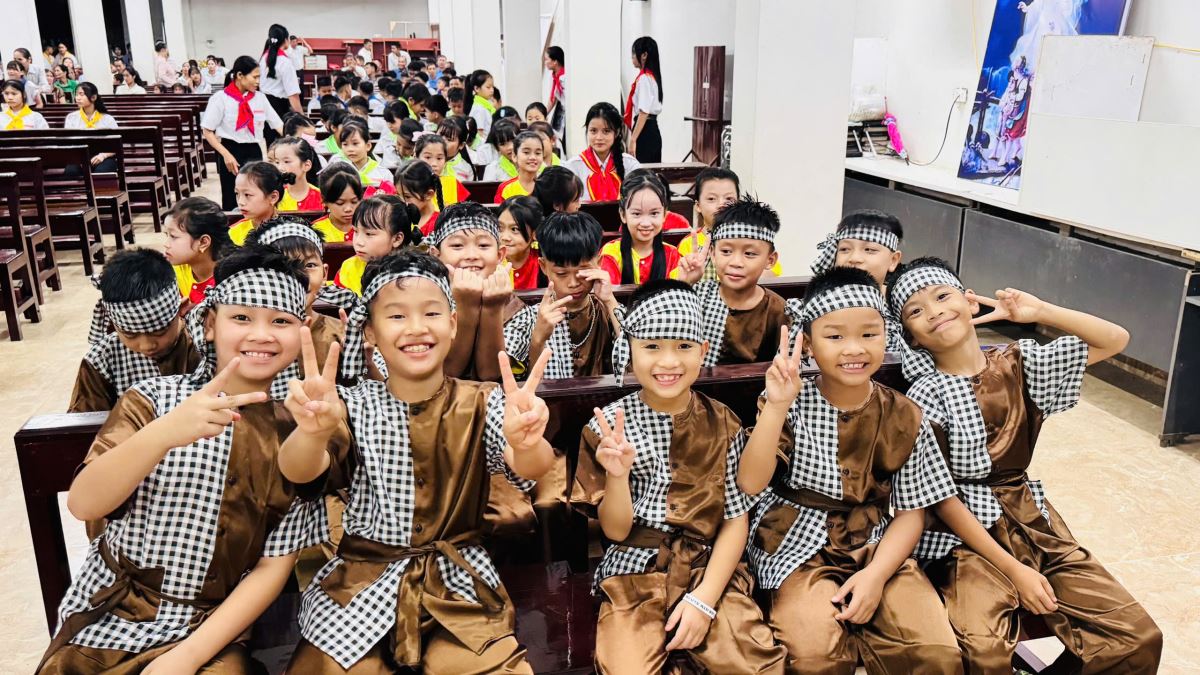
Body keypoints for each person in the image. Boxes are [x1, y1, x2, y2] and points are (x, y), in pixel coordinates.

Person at [40, 246, 337, 674]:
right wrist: (165, 433)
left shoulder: (297, 429)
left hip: (211, 625)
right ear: (210, 323)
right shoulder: (152, 399)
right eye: (242, 317)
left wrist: (188, 656)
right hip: (113, 609)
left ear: (302, 330)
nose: (261, 334)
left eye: (280, 321)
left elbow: (273, 565)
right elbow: (85, 504)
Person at [278, 247, 553, 673]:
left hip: (458, 580)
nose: (416, 328)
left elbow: (530, 467)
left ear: (453, 322)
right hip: (361, 580)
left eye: (431, 313)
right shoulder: (351, 404)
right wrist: (311, 433)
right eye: (397, 315)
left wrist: (529, 441)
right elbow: (301, 473)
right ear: (370, 332)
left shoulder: (483, 401)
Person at [888, 257, 1164, 673]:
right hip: (959, 539)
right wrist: (1016, 571)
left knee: (1137, 637)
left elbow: (1114, 339)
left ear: (970, 302)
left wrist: (1040, 312)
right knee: (984, 650)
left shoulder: (1021, 363)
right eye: (916, 310)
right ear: (911, 334)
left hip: (1032, 521)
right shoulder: (924, 396)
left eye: (942, 296)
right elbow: (940, 498)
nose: (934, 311)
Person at [738, 267, 963, 673]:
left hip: (877, 540)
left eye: (869, 334)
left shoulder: (905, 413)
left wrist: (876, 575)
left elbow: (911, 512)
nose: (854, 349)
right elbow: (751, 483)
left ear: (886, 335)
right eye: (835, 337)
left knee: (935, 652)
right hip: (795, 546)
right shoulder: (790, 402)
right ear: (808, 344)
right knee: (815, 655)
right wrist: (776, 406)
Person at [572, 279, 786, 673]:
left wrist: (704, 600)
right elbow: (615, 532)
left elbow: (735, 520)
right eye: (652, 346)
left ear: (703, 351)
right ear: (629, 348)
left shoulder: (723, 423)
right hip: (633, 570)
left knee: (753, 664)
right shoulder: (607, 428)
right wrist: (617, 476)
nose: (669, 362)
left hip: (710, 565)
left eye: (683, 346)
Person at [69, 249, 198, 413]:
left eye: (159, 331)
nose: (146, 345)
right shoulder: (102, 359)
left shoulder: (204, 344)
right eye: (130, 334)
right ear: (114, 323)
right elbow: (87, 421)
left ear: (181, 308)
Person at [676, 196, 794, 366]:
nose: (736, 262)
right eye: (726, 251)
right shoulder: (697, 296)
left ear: (770, 260)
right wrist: (685, 285)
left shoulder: (779, 311)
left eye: (750, 254)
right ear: (712, 254)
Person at [504, 212, 620, 379]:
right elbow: (516, 382)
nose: (573, 283)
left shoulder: (608, 311)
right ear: (543, 267)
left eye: (582, 271)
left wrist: (609, 300)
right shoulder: (527, 318)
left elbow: (635, 358)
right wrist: (538, 339)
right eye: (561, 273)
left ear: (599, 263)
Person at [425, 201, 517, 381]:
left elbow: (490, 374)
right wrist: (466, 306)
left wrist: (492, 308)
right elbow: (447, 373)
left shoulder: (517, 310)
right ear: (436, 255)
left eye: (483, 246)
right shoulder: (426, 304)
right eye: (457, 246)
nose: (471, 255)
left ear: (500, 255)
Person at [812, 209, 905, 351]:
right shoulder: (820, 302)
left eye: (869, 250)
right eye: (844, 249)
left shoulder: (902, 303)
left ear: (893, 260)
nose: (854, 258)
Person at [201, 55, 284, 210]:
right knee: (231, 196)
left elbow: (278, 125)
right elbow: (207, 130)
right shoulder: (220, 98)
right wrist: (226, 155)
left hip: (254, 150)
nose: (258, 81)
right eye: (255, 77)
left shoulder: (260, 98)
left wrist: (294, 141)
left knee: (256, 194)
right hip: (229, 150)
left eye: (259, 77)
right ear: (240, 75)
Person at [600, 170, 680, 285]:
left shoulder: (672, 254)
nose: (646, 223)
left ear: (664, 214)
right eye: (637, 214)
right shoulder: (611, 254)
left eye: (654, 213)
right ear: (623, 215)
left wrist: (688, 281)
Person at [332, 196, 416, 294]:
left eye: (369, 234)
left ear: (397, 239)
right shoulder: (349, 268)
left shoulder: (412, 275)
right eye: (355, 231)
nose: (358, 242)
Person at [162, 196, 231, 307]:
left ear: (203, 242)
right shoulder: (174, 271)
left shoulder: (230, 283)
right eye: (167, 235)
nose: (166, 244)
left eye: (173, 236)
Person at [566, 103, 638, 203]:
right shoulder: (573, 167)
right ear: (587, 130)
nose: (599, 137)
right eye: (593, 131)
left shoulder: (630, 164)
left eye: (606, 131)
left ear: (616, 132)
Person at [259, 24, 303, 145]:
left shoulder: (263, 58)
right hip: (279, 108)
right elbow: (293, 94)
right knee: (283, 145)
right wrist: (302, 117)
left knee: (270, 144)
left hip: (264, 105)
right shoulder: (285, 62)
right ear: (286, 40)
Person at [229, 161, 291, 245]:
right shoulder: (233, 234)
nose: (240, 202)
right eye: (237, 193)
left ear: (273, 197)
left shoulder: (290, 232)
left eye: (247, 195)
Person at [325, 122, 395, 193]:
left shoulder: (383, 173)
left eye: (355, 143)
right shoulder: (338, 172)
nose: (350, 149)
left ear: (368, 146)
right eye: (345, 144)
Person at [626, 37, 664, 163]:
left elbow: (644, 112)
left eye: (634, 53)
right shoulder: (652, 77)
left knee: (642, 171)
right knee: (651, 170)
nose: (632, 57)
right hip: (652, 129)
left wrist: (633, 140)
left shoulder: (644, 79)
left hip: (645, 131)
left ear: (644, 55)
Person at [498, 196, 542, 291]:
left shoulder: (543, 263)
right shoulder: (491, 262)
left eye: (514, 229)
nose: (504, 237)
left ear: (535, 233)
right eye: (500, 228)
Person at [415, 133, 470, 207]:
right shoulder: (408, 184)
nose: (434, 164)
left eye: (439, 158)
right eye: (428, 157)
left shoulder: (453, 183)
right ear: (416, 158)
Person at [270, 136, 323, 211]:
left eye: (286, 161)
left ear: (306, 165)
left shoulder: (322, 197)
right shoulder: (273, 197)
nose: (280, 168)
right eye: (277, 162)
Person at [313, 164, 363, 243]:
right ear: (324, 200)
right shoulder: (317, 230)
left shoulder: (369, 226)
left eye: (354, 201)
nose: (348, 209)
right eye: (340, 203)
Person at [395, 159, 443, 236]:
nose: (402, 201)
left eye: (407, 196)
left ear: (428, 194)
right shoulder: (397, 218)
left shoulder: (439, 225)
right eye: (398, 195)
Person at [494, 131, 545, 202]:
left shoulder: (547, 186)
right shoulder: (506, 188)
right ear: (514, 156)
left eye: (538, 153)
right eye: (526, 152)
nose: (533, 157)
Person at [438, 117, 475, 181]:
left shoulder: (466, 169)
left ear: (461, 145)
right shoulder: (426, 160)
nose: (442, 141)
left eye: (449, 139)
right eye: (439, 136)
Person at [463, 69, 496, 141]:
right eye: (488, 87)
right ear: (477, 88)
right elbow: (479, 135)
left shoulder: (486, 106)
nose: (492, 90)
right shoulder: (479, 109)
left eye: (492, 87)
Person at [544, 45, 566, 145]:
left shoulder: (564, 77)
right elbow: (553, 99)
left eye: (546, 59)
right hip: (561, 113)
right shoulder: (554, 77)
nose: (545, 62)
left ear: (555, 61)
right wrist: (543, 113)